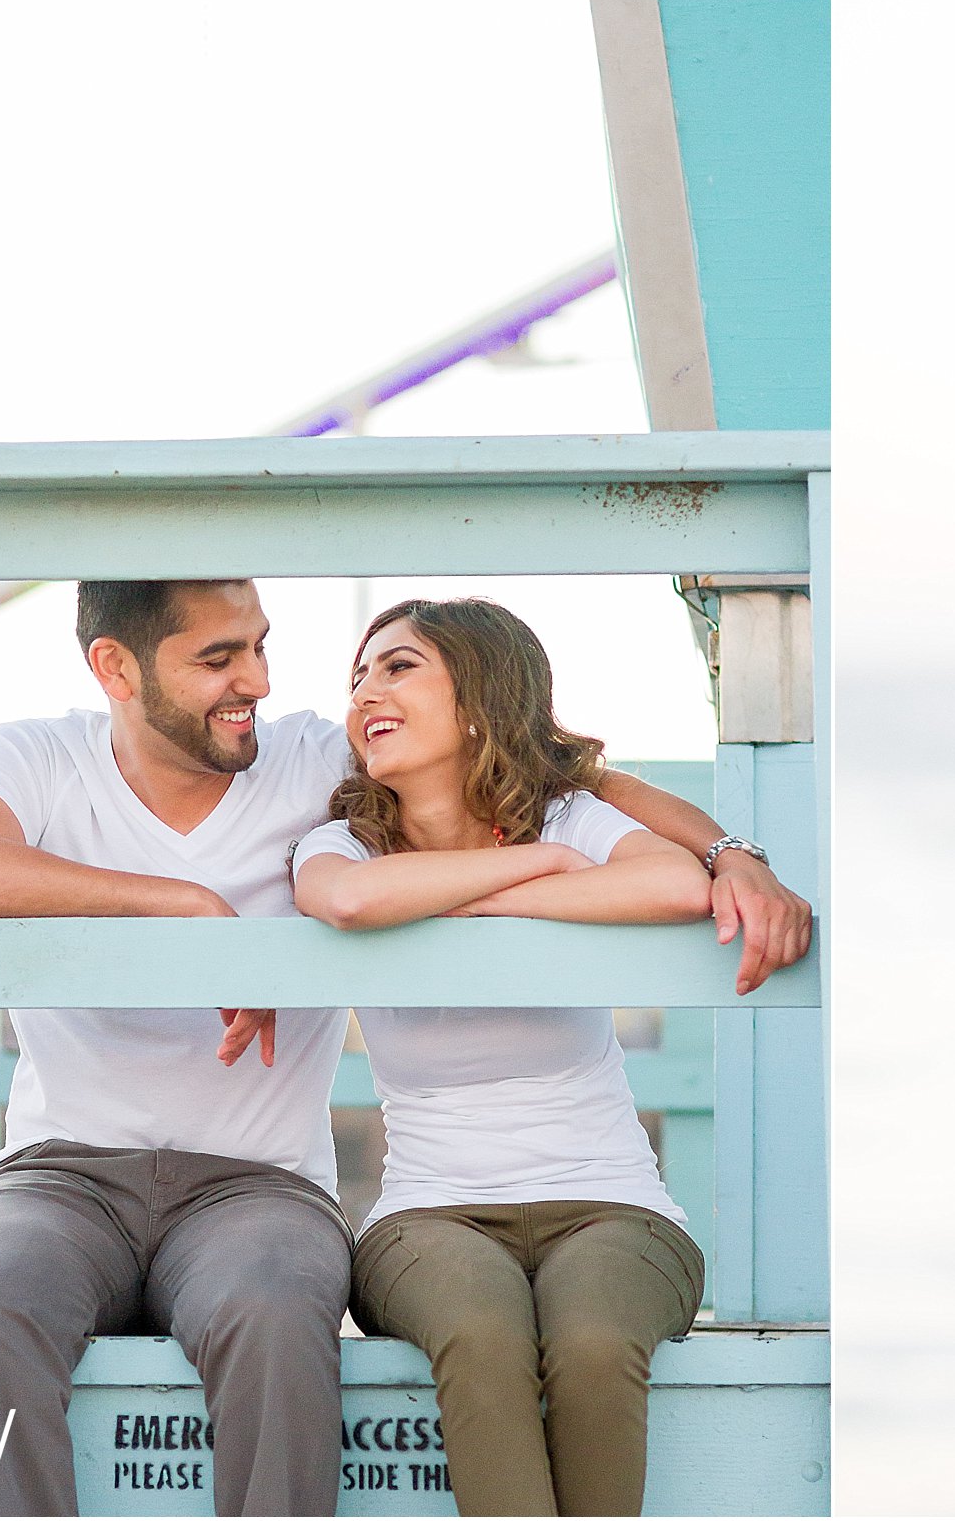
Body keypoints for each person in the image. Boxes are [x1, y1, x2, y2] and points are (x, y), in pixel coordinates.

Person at [0, 578, 807, 1517]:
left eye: (260, 645)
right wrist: (186, 907)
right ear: (115, 667)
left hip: (253, 1184)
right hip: (58, 1174)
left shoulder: (316, 755)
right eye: (218, 658)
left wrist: (730, 854)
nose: (256, 678)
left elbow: (552, 768)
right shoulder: (34, 756)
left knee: (282, 1310)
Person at [228, 596, 708, 1517]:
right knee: (482, 1331)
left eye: (399, 666)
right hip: (427, 1217)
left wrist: (465, 904)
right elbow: (352, 901)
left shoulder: (566, 818)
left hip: (614, 1205)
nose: (367, 688)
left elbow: (676, 881)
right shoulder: (345, 840)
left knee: (598, 1339)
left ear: (482, 696)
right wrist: (532, 874)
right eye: (359, 674)